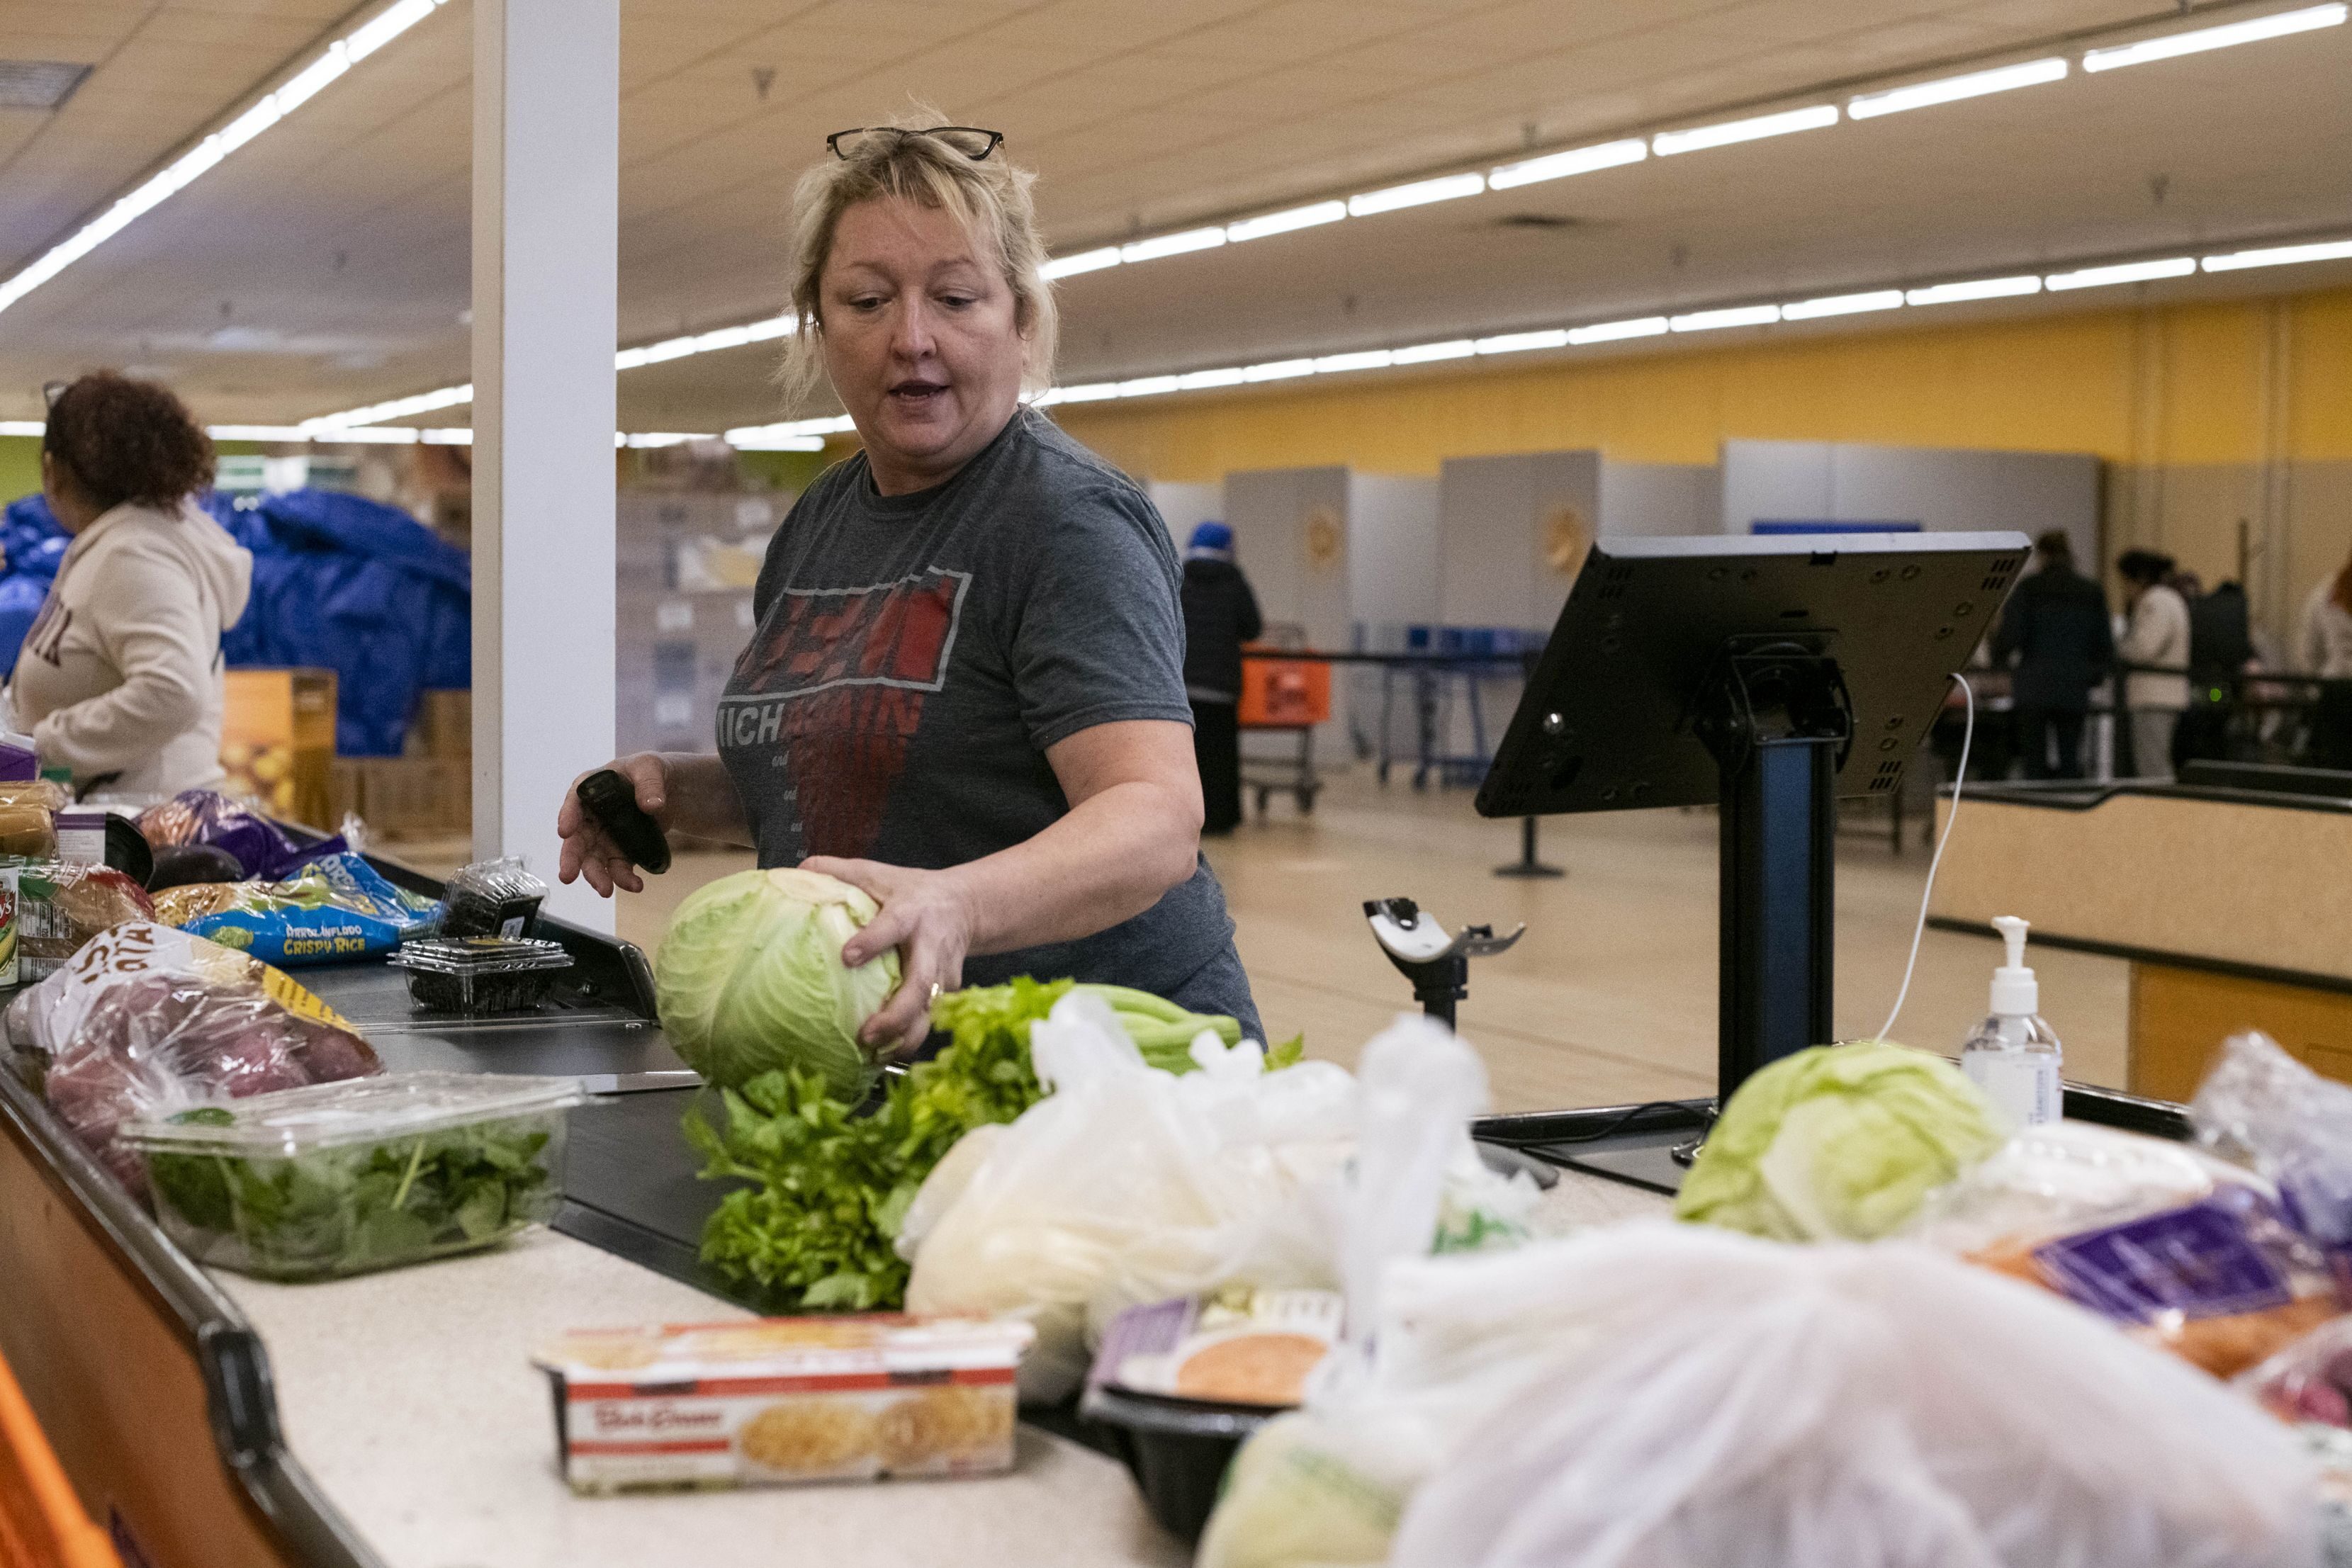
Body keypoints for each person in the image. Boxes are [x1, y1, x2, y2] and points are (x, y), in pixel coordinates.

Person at [556, 115, 1261, 1050]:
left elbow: (1154, 820)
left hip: (1102, 1071)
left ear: (1021, 320)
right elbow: (863, 775)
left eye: (957, 298)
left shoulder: (1064, 520)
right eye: (866, 300)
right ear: (816, 323)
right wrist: (670, 790)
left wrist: (960, 904)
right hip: (902, 1061)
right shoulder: (820, 521)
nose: (911, 338)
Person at [7, 373, 251, 798]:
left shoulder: (134, 554)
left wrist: (48, 745)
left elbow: (175, 690)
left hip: (143, 829)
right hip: (122, 815)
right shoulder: (118, 542)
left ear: (53, 470)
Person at [1991, 530, 2110, 780]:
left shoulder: (2029, 589)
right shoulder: (2091, 591)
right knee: (2070, 757)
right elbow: (2104, 644)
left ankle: (2036, 812)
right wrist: (2093, 676)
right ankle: (2068, 811)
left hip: (2033, 685)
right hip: (2074, 685)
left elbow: (2011, 635)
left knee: (2033, 760)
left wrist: (1999, 664)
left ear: (2042, 556)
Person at [1178, 521, 1261, 835]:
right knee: (1221, 755)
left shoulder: (1179, 578)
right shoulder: (1234, 582)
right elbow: (1252, 628)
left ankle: (1188, 817)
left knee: (1189, 754)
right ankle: (1221, 819)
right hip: (1221, 686)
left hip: (1183, 684)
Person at [2114, 548, 2191, 779]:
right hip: (2166, 695)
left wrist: (2120, 646)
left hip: (2154, 697)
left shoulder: (2155, 602)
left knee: (2153, 766)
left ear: (2138, 580)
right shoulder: (2171, 598)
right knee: (2157, 762)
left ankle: (2161, 812)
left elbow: (2145, 648)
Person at [2299, 549, 2352, 769]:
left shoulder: (2325, 591)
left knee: (2334, 772)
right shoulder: (2327, 592)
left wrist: (2316, 690)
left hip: (2333, 693)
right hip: (2334, 695)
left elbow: (2308, 651)